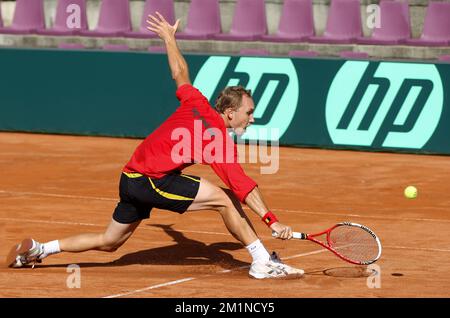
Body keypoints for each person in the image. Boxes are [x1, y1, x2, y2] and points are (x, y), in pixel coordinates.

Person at [5, 12, 304, 279]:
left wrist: (169, 38)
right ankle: (261, 261)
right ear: (230, 112)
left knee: (110, 242)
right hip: (151, 179)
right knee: (226, 199)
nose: (251, 119)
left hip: (132, 176)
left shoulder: (196, 101)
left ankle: (40, 249)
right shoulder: (217, 138)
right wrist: (271, 221)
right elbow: (242, 185)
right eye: (248, 113)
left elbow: (179, 73)